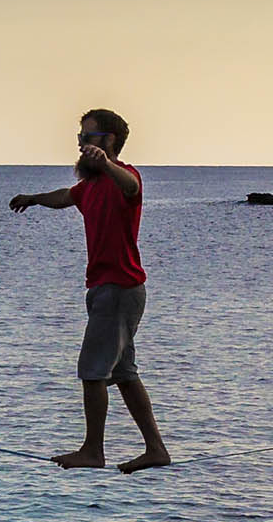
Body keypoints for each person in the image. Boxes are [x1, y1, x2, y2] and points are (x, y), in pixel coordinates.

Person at [9, 108, 172, 471]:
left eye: (88, 137)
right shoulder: (91, 187)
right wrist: (33, 198)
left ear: (108, 141)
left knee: (92, 372)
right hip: (108, 290)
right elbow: (66, 195)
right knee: (124, 374)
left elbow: (131, 186)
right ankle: (156, 449)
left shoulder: (123, 178)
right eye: (80, 138)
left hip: (118, 288)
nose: (81, 144)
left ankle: (93, 452)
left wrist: (107, 162)